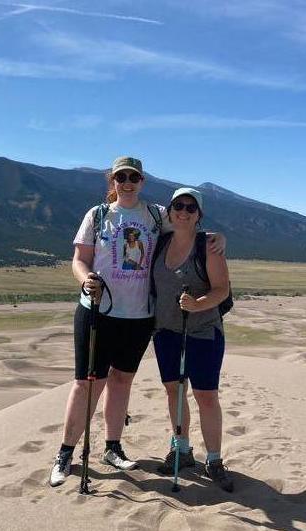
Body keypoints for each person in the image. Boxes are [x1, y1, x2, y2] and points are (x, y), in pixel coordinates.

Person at [49, 158, 225, 487]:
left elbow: (187, 225)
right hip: (98, 311)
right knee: (86, 384)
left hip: (140, 317)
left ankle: (113, 446)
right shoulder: (97, 215)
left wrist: (217, 237)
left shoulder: (157, 214)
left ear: (142, 180)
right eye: (121, 177)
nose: (127, 182)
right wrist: (85, 278)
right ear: (112, 180)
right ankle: (65, 452)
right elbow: (78, 259)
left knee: (121, 383)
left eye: (133, 177)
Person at [152, 187, 233, 492]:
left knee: (206, 396)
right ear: (170, 211)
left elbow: (221, 288)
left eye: (190, 208)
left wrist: (198, 304)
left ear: (199, 215)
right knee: (174, 391)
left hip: (202, 331)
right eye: (178, 206)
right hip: (166, 330)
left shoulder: (208, 247)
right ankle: (182, 450)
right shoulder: (159, 243)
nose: (183, 212)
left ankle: (214, 460)